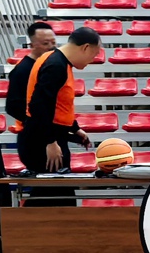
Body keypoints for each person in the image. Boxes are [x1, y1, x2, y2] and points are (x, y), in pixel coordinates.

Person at [18, 26, 102, 175]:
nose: (92, 60)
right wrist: (50, 142)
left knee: (58, 188)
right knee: (56, 188)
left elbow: (57, 103)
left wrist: (74, 128)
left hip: (47, 135)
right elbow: (39, 105)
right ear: (85, 47)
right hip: (43, 141)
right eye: (94, 55)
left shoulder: (57, 61)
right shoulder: (56, 66)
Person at [3, 21, 58, 130]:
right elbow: (13, 106)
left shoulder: (50, 65)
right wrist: (37, 123)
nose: (51, 47)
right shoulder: (22, 70)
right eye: (45, 43)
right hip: (34, 131)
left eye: (53, 42)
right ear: (32, 45)